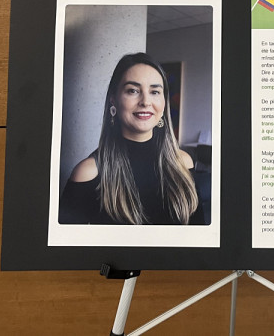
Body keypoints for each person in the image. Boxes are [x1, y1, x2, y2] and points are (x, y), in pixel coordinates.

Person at [59, 52, 205, 225]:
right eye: (133, 91)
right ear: (113, 99)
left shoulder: (183, 163)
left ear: (164, 102)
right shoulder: (88, 173)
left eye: (155, 92)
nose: (145, 101)